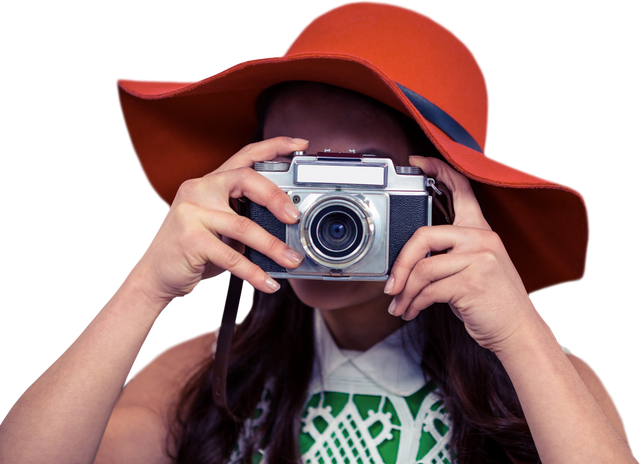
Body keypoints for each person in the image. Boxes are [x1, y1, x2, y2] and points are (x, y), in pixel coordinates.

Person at [0, 1, 635, 463]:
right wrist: (144, 289)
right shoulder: (215, 370)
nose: (319, 217)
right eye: (297, 176)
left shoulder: (544, 381)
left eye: (357, 185)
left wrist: (520, 333)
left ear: (440, 196)